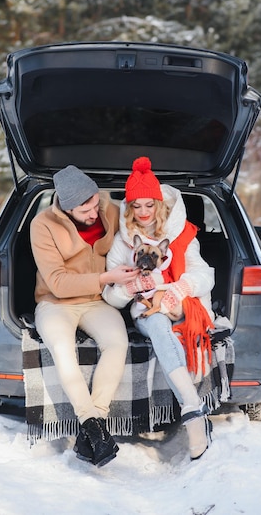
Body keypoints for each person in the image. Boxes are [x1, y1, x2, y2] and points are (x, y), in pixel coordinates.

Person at [103, 157, 216, 461]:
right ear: (128, 208)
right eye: (135, 206)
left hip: (180, 307)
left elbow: (206, 275)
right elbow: (110, 298)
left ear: (160, 204)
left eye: (148, 205)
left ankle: (192, 411)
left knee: (167, 322)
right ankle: (193, 411)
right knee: (158, 326)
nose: (142, 213)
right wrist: (127, 289)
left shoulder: (181, 236)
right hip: (145, 310)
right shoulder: (123, 242)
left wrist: (180, 289)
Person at [30, 165, 140, 467]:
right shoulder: (43, 225)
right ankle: (90, 422)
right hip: (55, 303)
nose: (94, 212)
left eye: (95, 203)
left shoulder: (109, 209)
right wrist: (107, 277)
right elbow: (58, 283)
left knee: (117, 343)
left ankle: (95, 423)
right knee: (63, 348)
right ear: (67, 209)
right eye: (86, 210)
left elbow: (142, 229)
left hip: (97, 301)